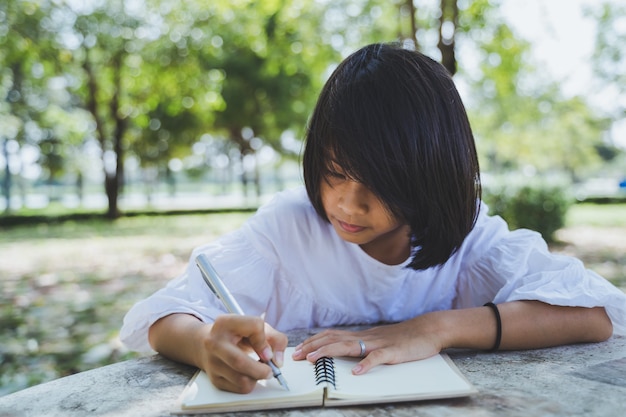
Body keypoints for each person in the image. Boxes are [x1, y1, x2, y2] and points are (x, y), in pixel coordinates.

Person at [120, 42, 626, 394]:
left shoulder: (470, 240)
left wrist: (436, 327)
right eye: (335, 173)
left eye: (379, 184)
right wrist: (205, 343)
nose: (347, 204)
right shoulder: (288, 229)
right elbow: (165, 317)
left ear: (431, 174)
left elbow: (594, 315)